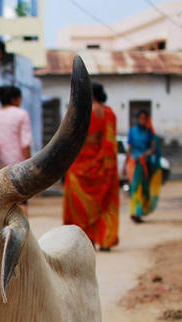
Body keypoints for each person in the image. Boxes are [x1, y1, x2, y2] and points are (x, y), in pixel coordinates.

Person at [63, 82, 119, 251]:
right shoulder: (108, 113)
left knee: (78, 203)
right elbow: (110, 141)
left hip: (79, 159)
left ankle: (83, 240)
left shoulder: (79, 111)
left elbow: (70, 136)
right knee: (105, 203)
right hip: (102, 162)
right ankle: (105, 239)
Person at [126, 110, 162, 223]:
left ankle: (138, 212)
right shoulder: (132, 132)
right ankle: (134, 211)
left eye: (144, 118)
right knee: (135, 187)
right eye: (140, 118)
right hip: (134, 163)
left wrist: (145, 154)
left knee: (141, 187)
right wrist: (126, 163)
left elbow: (153, 148)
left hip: (144, 163)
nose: (142, 120)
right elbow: (129, 149)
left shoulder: (149, 133)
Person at [0, 85, 32, 170]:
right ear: (14, 99)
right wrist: (29, 164)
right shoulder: (21, 114)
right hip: (18, 164)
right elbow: (25, 143)